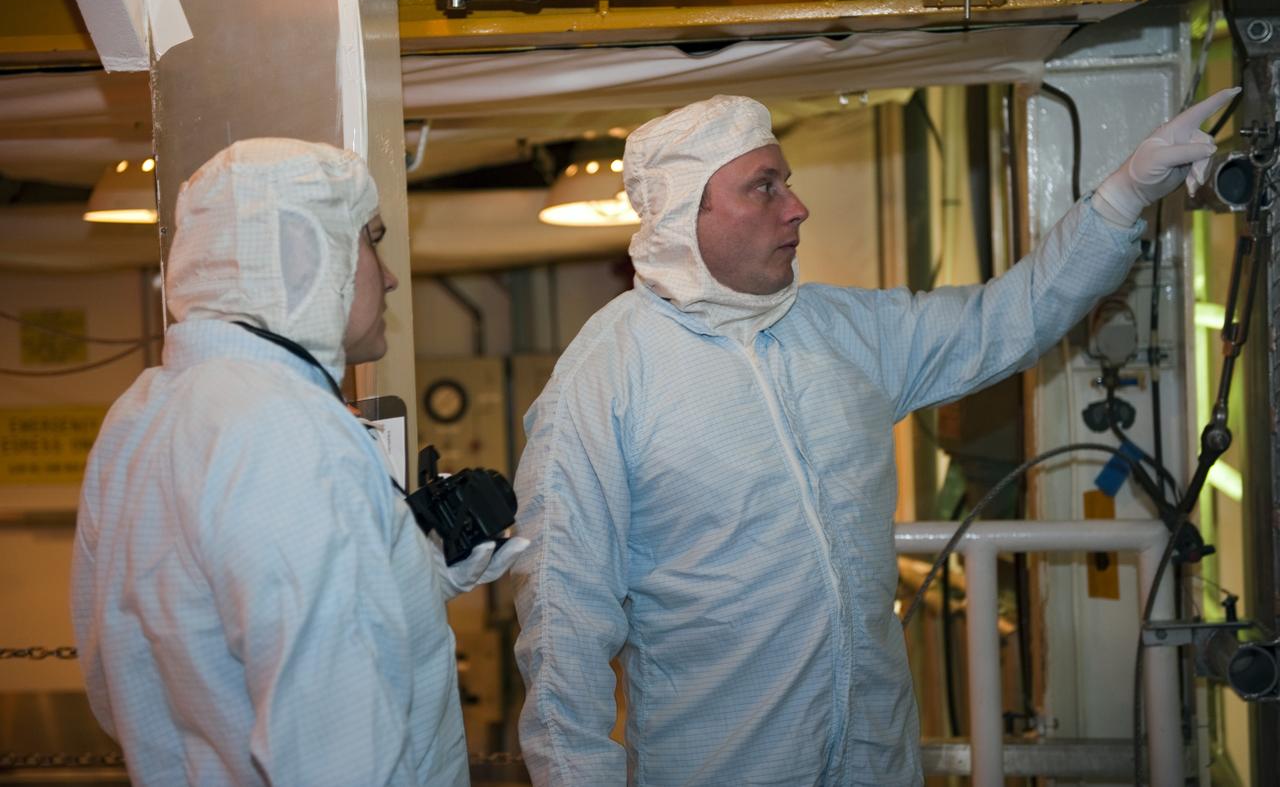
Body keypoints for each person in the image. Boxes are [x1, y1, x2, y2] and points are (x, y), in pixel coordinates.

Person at [510, 89, 1238, 786]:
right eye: (764, 187)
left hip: (876, 760)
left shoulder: (845, 331)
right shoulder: (603, 382)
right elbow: (562, 632)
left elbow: (1006, 318)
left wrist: (1125, 193)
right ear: (679, 213)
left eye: (787, 183)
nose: (798, 207)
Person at [71, 139, 524, 786]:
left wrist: (412, 581)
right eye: (371, 240)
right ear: (307, 250)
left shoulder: (143, 411)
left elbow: (120, 684)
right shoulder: (288, 428)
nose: (390, 274)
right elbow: (340, 748)